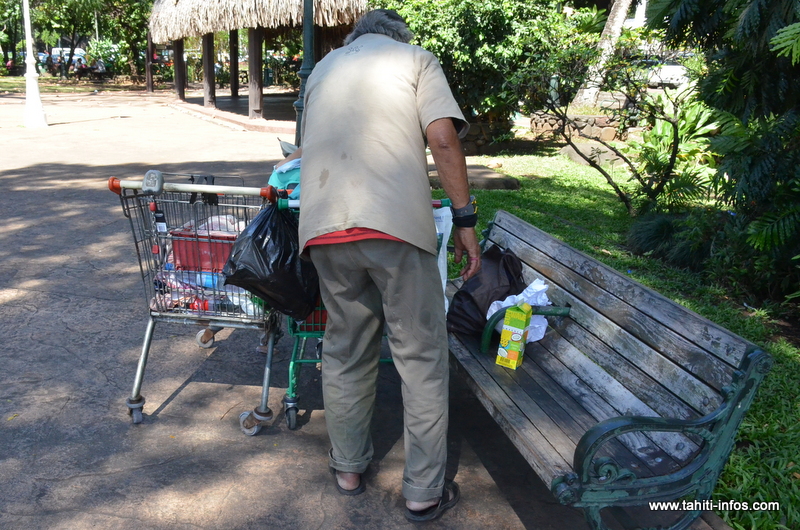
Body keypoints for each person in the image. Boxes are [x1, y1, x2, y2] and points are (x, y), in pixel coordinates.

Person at [296, 9, 481, 523]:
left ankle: (348, 468)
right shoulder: (417, 60)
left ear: (354, 37)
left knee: (345, 347)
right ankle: (423, 491)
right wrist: (464, 219)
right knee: (420, 357)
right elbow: (443, 139)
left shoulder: (323, 70)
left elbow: (309, 148)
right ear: (399, 37)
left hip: (325, 228)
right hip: (397, 228)